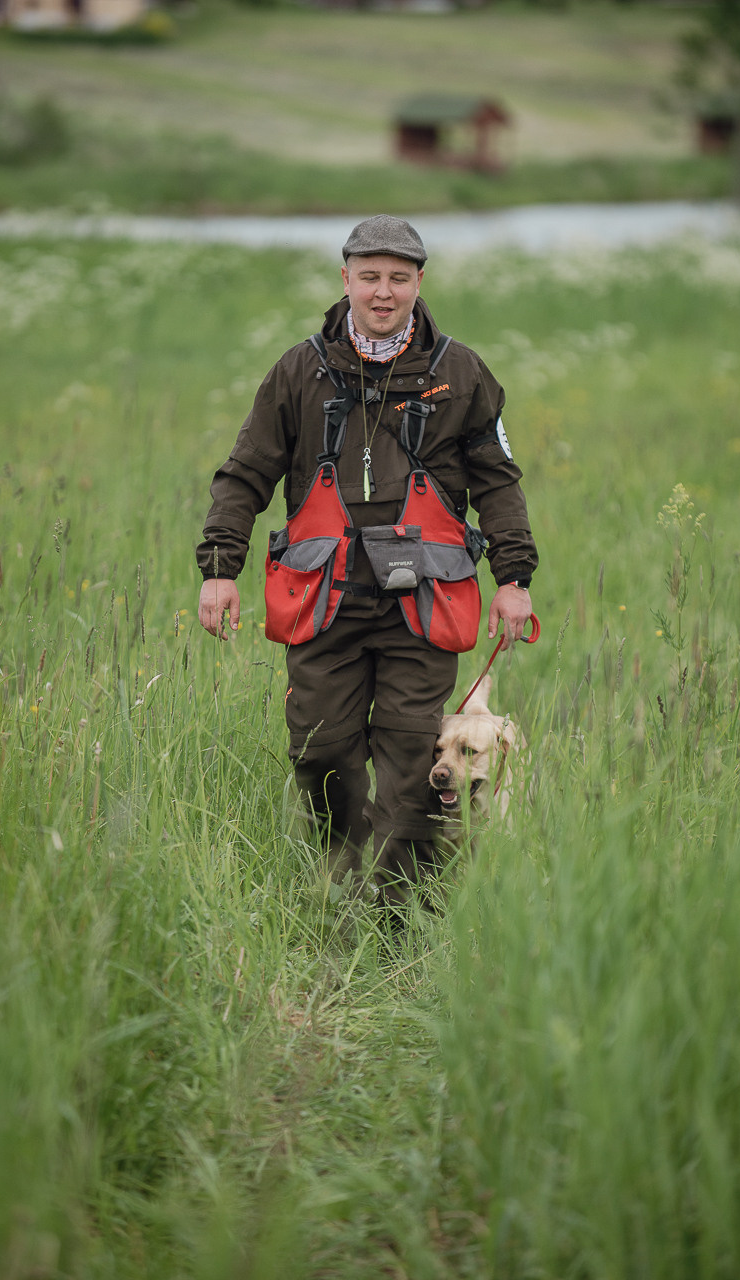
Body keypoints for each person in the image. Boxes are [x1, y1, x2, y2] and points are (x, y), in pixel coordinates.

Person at [197, 214, 538, 904]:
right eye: (370, 276)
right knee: (320, 751)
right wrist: (219, 570)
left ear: (419, 283)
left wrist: (514, 579)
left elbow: (498, 481)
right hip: (324, 599)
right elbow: (245, 473)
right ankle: (343, 883)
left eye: (399, 278)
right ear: (345, 278)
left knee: (416, 761)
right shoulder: (299, 371)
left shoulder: (463, 373)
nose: (383, 292)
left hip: (425, 600)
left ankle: (396, 915)